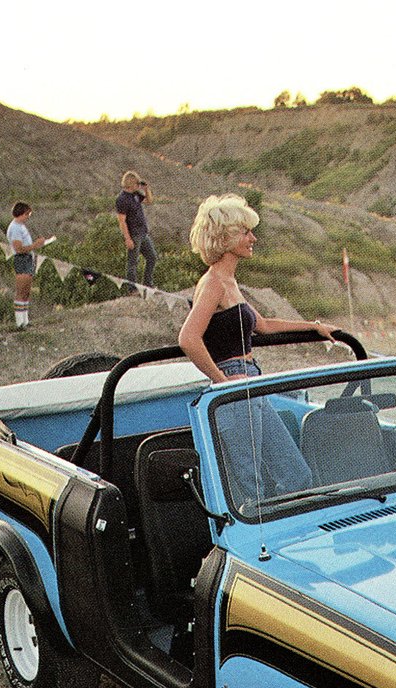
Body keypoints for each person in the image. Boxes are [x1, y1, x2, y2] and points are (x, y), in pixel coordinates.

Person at [178, 193, 340, 507]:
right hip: (236, 385)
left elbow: (262, 325)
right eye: (245, 232)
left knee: (295, 475)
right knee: (250, 485)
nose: (253, 237)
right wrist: (221, 381)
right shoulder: (213, 283)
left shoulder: (229, 282)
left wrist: (313, 327)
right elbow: (188, 338)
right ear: (224, 239)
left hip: (253, 382)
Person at [115, 170, 157, 290]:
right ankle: (131, 289)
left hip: (143, 232)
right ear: (131, 184)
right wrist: (127, 238)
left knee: (152, 257)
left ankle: (148, 284)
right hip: (133, 233)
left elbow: (149, 201)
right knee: (132, 262)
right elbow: (121, 221)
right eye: (137, 183)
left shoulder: (136, 195)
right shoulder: (122, 199)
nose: (138, 185)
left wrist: (146, 189)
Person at [6, 202, 46, 328]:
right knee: (21, 290)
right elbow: (19, 248)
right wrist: (35, 245)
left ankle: (25, 320)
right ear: (21, 213)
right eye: (27, 214)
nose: (28, 216)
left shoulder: (21, 226)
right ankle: (19, 322)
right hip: (21, 258)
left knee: (26, 291)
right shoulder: (15, 228)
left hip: (28, 258)